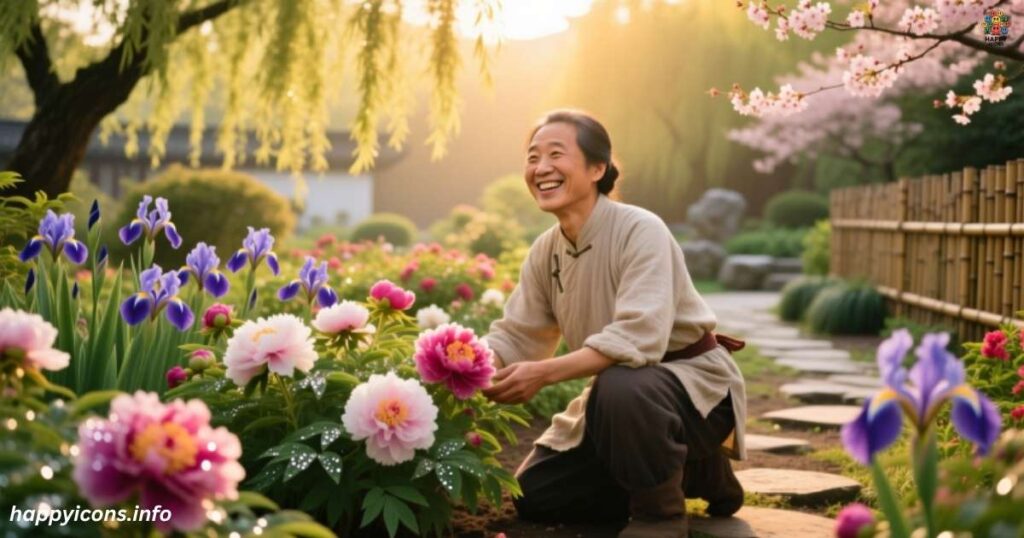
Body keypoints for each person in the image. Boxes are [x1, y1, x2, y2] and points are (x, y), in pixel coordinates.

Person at [480, 110, 748, 538]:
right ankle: (694, 472)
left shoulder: (642, 229)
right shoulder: (545, 250)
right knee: (536, 495)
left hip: (693, 392)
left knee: (622, 384)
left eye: (555, 154)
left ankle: (658, 515)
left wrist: (544, 374)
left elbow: (638, 339)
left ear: (597, 168)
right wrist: (463, 365)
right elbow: (518, 335)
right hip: (622, 401)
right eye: (533, 157)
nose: (541, 168)